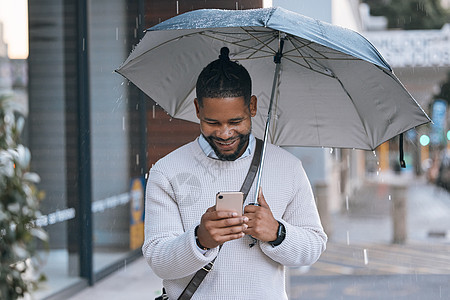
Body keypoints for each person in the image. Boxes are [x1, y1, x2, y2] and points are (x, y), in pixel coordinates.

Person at [143, 47, 327, 299]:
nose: (225, 133)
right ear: (197, 109)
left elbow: (313, 247)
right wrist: (199, 240)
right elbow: (157, 259)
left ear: (252, 106)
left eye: (235, 122)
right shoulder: (167, 171)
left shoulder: (287, 167)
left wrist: (276, 233)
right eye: (213, 123)